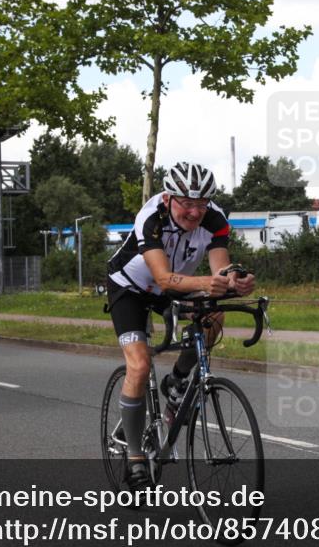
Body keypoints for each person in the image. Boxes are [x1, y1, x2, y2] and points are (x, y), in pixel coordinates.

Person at [106, 161, 255, 490]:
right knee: (140, 364)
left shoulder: (215, 218)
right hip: (131, 288)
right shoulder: (151, 218)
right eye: (187, 204)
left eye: (201, 204)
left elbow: (220, 267)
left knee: (214, 315)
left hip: (175, 288)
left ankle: (177, 382)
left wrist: (235, 280)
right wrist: (208, 281)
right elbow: (160, 276)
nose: (194, 212)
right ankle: (134, 459)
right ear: (168, 199)